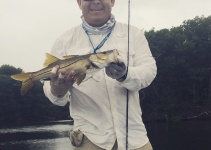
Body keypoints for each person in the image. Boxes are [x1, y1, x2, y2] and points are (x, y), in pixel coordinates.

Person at [43, 0, 157, 150]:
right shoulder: (64, 40)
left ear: (112, 1)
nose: (96, 1)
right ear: (79, 2)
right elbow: (54, 95)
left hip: (135, 137)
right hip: (89, 138)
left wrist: (125, 74)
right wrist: (57, 89)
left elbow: (149, 71)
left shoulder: (133, 33)